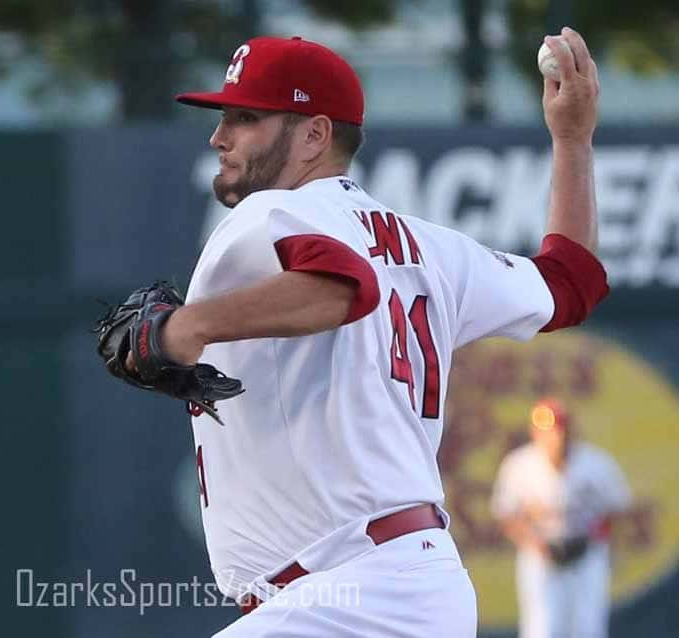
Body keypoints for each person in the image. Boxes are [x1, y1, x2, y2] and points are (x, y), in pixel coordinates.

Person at [150, 29, 605, 636]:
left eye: (246, 117)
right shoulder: (429, 248)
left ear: (314, 134)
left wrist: (185, 326)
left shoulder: (269, 211)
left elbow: (344, 284)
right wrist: (572, 140)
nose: (219, 137)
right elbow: (569, 282)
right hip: (405, 587)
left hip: (349, 594)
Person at [491, 399, 632, 638]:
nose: (554, 437)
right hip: (541, 554)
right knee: (542, 629)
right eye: (546, 431)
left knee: (588, 629)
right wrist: (532, 542)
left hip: (586, 552)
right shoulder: (520, 465)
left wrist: (599, 538)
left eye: (558, 429)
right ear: (535, 433)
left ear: (569, 430)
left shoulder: (595, 463)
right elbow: (505, 514)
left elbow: (617, 506)